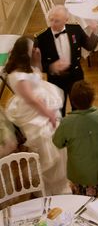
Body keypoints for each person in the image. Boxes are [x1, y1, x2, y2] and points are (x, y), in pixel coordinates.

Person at [4, 36, 69, 195]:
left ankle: (62, 182)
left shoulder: (27, 66)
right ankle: (50, 189)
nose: (37, 50)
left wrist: (38, 61)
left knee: (59, 149)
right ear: (25, 53)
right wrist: (50, 116)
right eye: (34, 49)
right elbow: (32, 100)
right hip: (36, 115)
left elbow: (38, 75)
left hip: (44, 107)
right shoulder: (17, 77)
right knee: (49, 150)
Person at [53, 81, 98, 200]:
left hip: (82, 175)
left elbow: (57, 142)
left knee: (85, 204)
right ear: (92, 98)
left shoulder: (66, 123)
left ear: (72, 101)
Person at [34, 5, 98, 114]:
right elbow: (37, 65)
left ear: (66, 20)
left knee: (79, 109)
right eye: (51, 20)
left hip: (76, 76)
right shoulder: (41, 38)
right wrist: (51, 67)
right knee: (58, 111)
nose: (52, 24)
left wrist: (95, 31)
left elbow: (89, 46)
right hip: (55, 80)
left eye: (57, 21)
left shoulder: (75, 29)